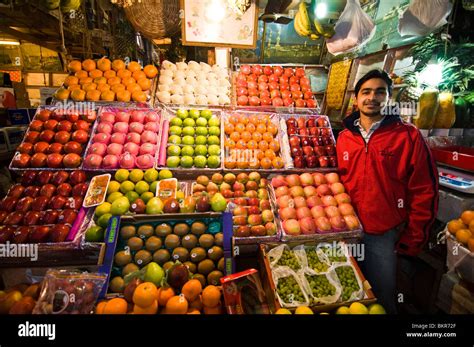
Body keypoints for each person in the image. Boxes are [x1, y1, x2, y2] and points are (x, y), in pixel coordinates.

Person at [336, 69, 439, 314]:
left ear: (389, 98)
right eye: (366, 91)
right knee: (345, 295)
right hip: (345, 231)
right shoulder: (343, 137)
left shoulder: (407, 136)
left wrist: (413, 240)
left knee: (382, 298)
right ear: (356, 98)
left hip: (381, 236)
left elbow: (425, 190)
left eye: (380, 92)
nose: (372, 97)